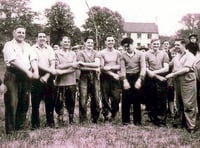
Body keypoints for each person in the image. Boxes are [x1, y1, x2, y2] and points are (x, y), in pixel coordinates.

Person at [2, 25, 39, 134]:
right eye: (19, 32)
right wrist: (28, 72)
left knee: (24, 102)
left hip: (26, 78)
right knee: (12, 102)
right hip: (12, 75)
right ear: (14, 33)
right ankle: (11, 130)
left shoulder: (28, 46)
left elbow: (33, 59)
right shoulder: (8, 45)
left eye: (23, 33)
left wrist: (35, 71)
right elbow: (13, 61)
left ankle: (20, 128)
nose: (21, 34)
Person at [165, 38, 197, 133]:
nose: (176, 47)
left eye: (178, 45)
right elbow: (169, 65)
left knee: (189, 103)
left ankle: (191, 126)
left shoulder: (189, 55)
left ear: (184, 45)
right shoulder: (177, 56)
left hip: (188, 80)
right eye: (175, 45)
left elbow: (186, 69)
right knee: (179, 102)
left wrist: (172, 74)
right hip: (178, 81)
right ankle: (183, 123)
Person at [31, 32, 58, 129]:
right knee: (35, 102)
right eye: (40, 37)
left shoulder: (50, 48)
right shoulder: (32, 48)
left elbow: (52, 62)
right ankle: (35, 125)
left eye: (44, 37)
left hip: (48, 76)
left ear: (46, 39)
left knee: (50, 101)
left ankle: (50, 123)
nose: (42, 38)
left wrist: (47, 75)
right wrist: (50, 71)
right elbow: (36, 64)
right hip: (37, 75)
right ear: (36, 38)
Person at [120, 37, 146, 125]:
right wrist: (124, 81)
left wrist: (139, 80)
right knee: (125, 99)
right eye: (125, 47)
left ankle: (137, 121)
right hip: (127, 76)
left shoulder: (140, 54)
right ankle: (126, 121)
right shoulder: (122, 55)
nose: (127, 48)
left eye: (128, 46)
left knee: (137, 99)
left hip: (137, 76)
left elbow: (143, 68)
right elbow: (122, 69)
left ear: (132, 45)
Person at [145, 38, 169, 126]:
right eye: (154, 44)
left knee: (161, 99)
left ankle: (162, 119)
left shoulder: (164, 54)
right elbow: (146, 68)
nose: (156, 45)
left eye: (157, 44)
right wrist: (153, 74)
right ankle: (153, 118)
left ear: (160, 45)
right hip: (150, 79)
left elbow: (166, 68)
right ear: (151, 44)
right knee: (151, 98)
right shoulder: (146, 54)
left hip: (161, 78)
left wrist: (154, 73)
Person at [54, 36, 78, 125]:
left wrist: (63, 69)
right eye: (65, 41)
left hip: (71, 81)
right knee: (59, 101)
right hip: (60, 81)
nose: (66, 43)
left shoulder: (73, 54)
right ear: (61, 43)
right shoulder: (56, 53)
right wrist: (70, 65)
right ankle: (60, 118)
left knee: (71, 100)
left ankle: (71, 119)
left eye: (68, 42)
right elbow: (57, 66)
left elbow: (75, 67)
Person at [77, 36, 101, 124]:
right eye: (88, 42)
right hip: (84, 77)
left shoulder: (96, 53)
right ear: (85, 43)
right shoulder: (80, 53)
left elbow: (97, 64)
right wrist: (94, 67)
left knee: (96, 97)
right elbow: (81, 67)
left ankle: (95, 118)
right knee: (83, 98)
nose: (90, 44)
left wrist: (84, 64)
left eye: (91, 42)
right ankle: (83, 119)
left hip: (95, 77)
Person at [99, 33, 122, 122]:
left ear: (114, 41)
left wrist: (111, 67)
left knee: (116, 97)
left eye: (112, 40)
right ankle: (106, 115)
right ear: (105, 42)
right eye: (109, 40)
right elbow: (102, 67)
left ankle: (114, 113)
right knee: (105, 97)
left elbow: (119, 66)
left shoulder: (118, 53)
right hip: (105, 77)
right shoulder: (101, 53)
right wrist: (112, 73)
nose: (110, 42)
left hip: (116, 77)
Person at [161, 40, 175, 118]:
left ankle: (172, 111)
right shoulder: (161, 53)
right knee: (162, 94)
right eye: (164, 44)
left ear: (169, 45)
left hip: (170, 76)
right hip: (162, 75)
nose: (166, 45)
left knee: (170, 93)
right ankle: (163, 111)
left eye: (167, 44)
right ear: (162, 45)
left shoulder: (172, 54)